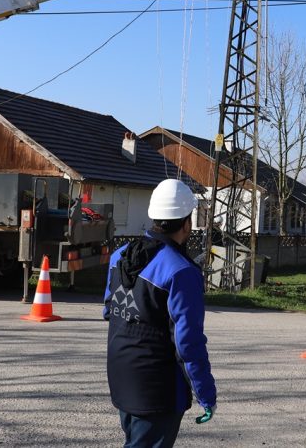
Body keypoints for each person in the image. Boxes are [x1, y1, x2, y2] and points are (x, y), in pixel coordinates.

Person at [104, 178, 216, 448]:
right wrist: (205, 392)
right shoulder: (181, 271)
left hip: (121, 375)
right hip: (157, 388)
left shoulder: (120, 256)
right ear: (187, 223)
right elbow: (187, 343)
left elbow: (110, 309)